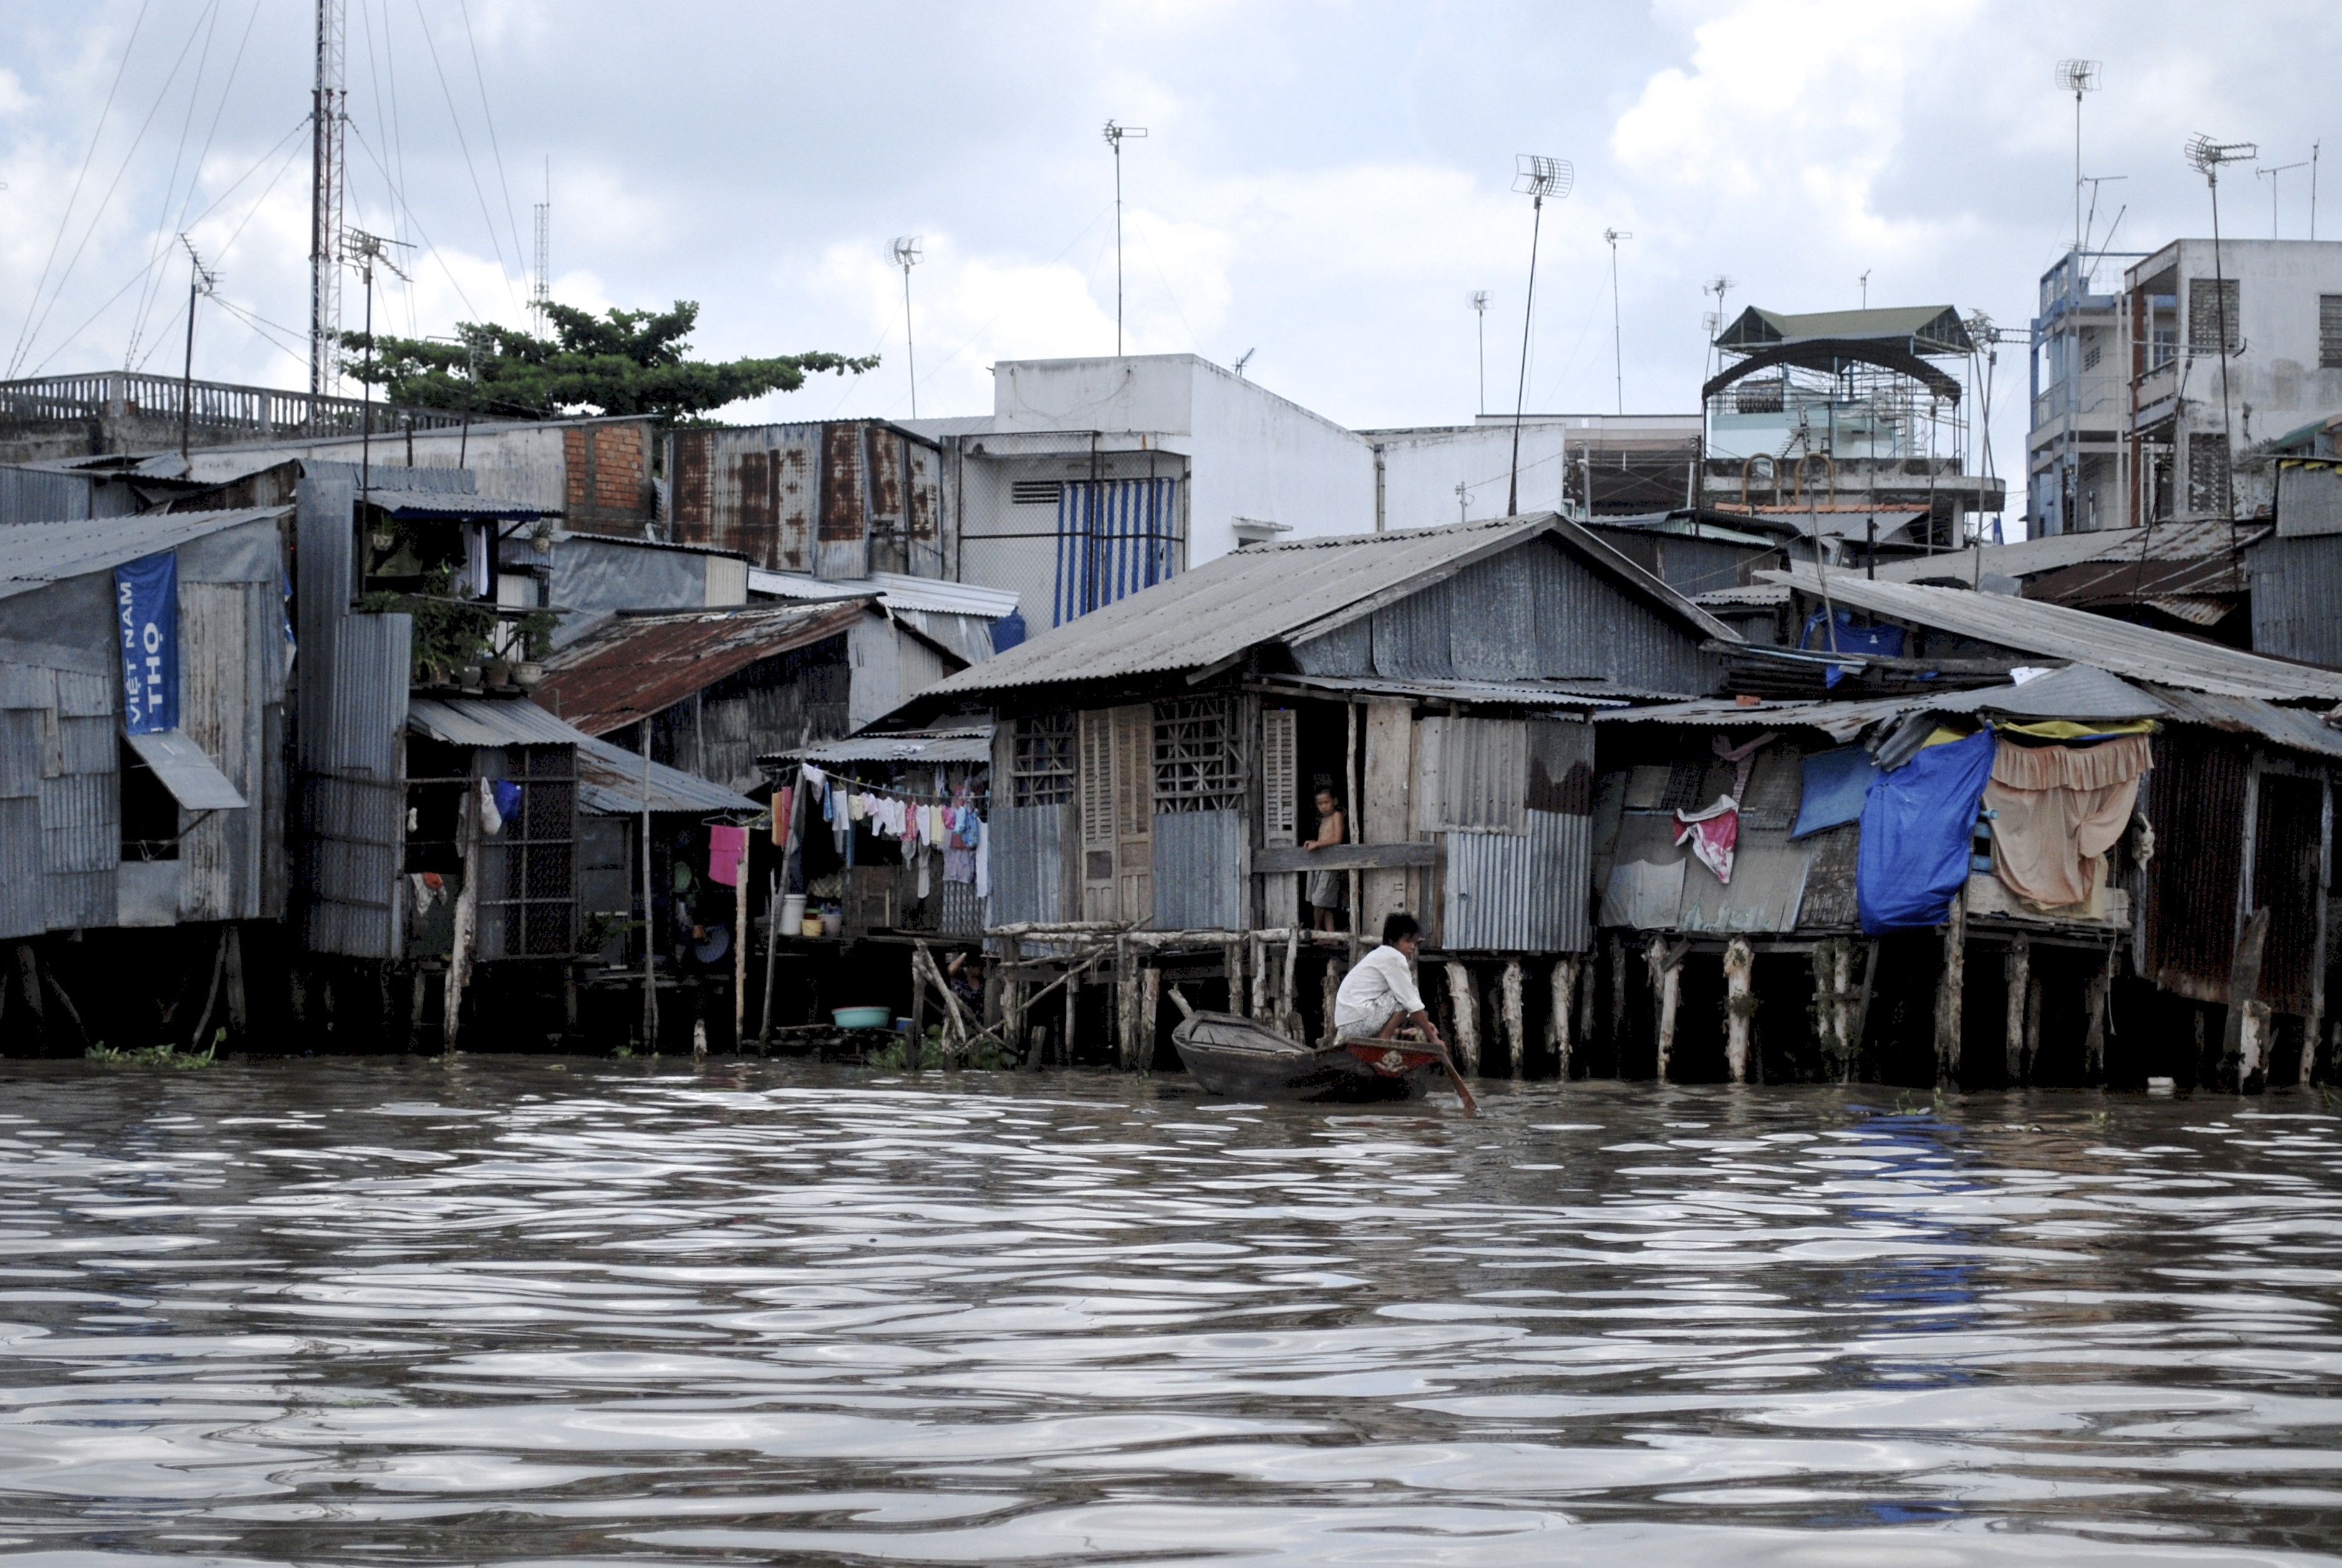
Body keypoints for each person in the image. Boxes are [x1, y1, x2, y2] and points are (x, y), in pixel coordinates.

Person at [1333, 912, 1447, 1048]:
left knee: (1405, 994)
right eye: (1408, 942)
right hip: (1357, 1023)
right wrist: (1434, 1039)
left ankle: (1382, 1039)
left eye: (1414, 942)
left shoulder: (1380, 954)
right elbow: (1411, 1002)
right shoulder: (1394, 957)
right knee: (1407, 995)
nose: (1412, 947)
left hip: (1347, 1025)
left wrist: (1425, 1024)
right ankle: (1383, 1041)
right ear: (1393, 941)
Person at [1301, 782, 1347, 932]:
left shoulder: (1337, 816)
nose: (1323, 806)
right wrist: (1313, 843)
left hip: (1330, 865)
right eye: (1320, 804)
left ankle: (1317, 931)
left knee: (1319, 901)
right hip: (1320, 864)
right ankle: (1330, 936)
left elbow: (1337, 839)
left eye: (1326, 802)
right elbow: (1324, 839)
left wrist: (1318, 844)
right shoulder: (1323, 820)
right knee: (1325, 905)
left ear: (1335, 801)